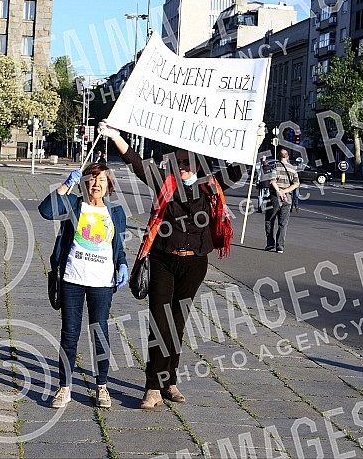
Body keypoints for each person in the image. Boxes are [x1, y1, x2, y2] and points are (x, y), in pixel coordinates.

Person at [99, 119, 251, 410]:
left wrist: (252, 143)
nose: (183, 165)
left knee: (177, 322)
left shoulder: (210, 186)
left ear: (199, 164)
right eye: (178, 160)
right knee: (160, 321)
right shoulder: (164, 182)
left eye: (188, 161)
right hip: (162, 260)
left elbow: (240, 169)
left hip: (194, 264)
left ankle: (169, 381)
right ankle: (153, 388)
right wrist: (116, 137)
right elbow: (137, 163)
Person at [38, 163, 129, 409]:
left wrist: (122, 264)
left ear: (109, 184)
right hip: (73, 279)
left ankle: (102, 386)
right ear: (84, 182)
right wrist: (66, 184)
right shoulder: (74, 205)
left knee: (100, 333)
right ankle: (64, 387)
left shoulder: (116, 212)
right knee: (69, 335)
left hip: (101, 282)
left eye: (102, 180)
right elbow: (46, 211)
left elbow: (117, 246)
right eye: (91, 179)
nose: (96, 184)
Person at [264, 149, 300, 254]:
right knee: (283, 223)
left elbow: (272, 180)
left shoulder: (276, 166)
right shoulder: (293, 169)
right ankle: (280, 246)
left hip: (275, 197)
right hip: (287, 198)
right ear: (287, 157)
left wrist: (279, 191)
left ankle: (270, 243)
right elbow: (296, 183)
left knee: (269, 220)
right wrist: (285, 191)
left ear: (279, 157)